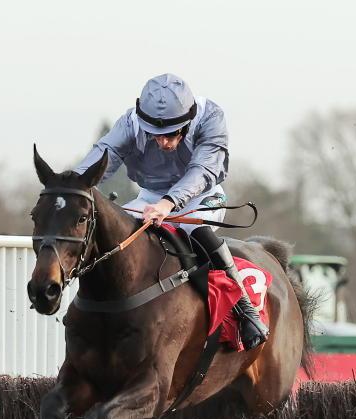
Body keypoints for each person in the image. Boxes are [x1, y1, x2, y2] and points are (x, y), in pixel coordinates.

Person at [75, 73, 268, 350]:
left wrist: (169, 203)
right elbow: (105, 152)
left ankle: (246, 312)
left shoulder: (210, 116)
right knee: (112, 232)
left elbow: (203, 169)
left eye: (172, 134)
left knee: (195, 231)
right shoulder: (130, 123)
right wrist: (72, 185)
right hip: (150, 197)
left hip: (201, 195)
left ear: (188, 121)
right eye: (156, 135)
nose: (164, 143)